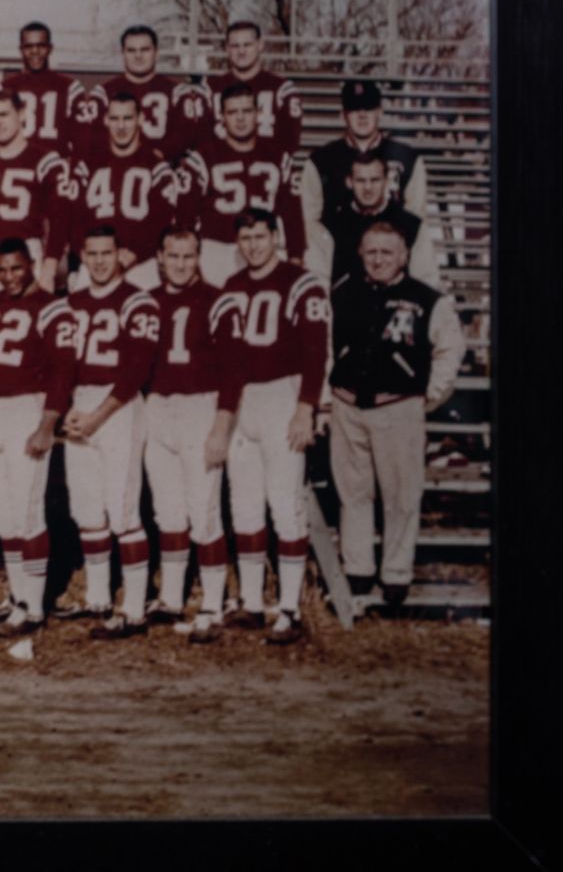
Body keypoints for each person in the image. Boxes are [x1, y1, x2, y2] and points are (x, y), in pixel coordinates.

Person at [207, 207, 331, 645]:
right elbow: (227, 360)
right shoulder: (232, 286)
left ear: (276, 236)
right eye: (246, 238)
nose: (254, 245)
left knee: (284, 504)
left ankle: (291, 608)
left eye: (261, 236)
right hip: (243, 402)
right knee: (244, 504)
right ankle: (254, 603)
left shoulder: (301, 282)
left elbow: (316, 350)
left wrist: (306, 407)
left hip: (282, 394)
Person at [327, 222, 465, 611]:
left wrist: (429, 396)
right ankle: (358, 570)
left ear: (404, 255)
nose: (378, 259)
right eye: (371, 252)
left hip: (398, 407)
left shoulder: (426, 299)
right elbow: (325, 343)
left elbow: (450, 350)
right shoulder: (343, 292)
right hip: (347, 403)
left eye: (387, 252)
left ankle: (396, 575)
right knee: (352, 492)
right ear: (360, 254)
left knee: (401, 496)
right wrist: (326, 395)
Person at [52, 227, 162, 638]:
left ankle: (133, 609)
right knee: (87, 509)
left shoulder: (138, 301)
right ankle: (97, 598)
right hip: (81, 406)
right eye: (92, 253)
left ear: (120, 255)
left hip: (117, 407)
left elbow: (136, 370)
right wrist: (67, 411)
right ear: (83, 255)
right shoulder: (71, 303)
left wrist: (97, 415)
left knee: (123, 510)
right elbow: (61, 364)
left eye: (106, 253)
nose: (99, 261)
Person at [0, 239, 70, 638]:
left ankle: (32, 605)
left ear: (31, 264)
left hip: (27, 410)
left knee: (27, 510)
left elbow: (63, 372)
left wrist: (47, 424)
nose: (10, 276)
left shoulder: (51, 307)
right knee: (3, 511)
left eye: (16, 268)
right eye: (3, 269)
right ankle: (17, 596)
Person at [143, 227, 229, 631]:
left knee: (204, 509)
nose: (180, 265)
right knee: (168, 510)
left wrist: (221, 425)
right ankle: (172, 597)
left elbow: (234, 370)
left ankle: (213, 603)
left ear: (199, 257)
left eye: (188, 256)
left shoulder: (215, 300)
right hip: (158, 407)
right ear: (160, 257)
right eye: (173, 256)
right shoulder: (149, 302)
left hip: (200, 406)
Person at [177, 83, 305, 288]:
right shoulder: (203, 157)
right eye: (233, 112)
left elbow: (292, 212)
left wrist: (296, 255)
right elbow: (186, 217)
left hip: (265, 246)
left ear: (258, 113)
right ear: (222, 116)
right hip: (219, 249)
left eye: (246, 111)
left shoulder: (278, 155)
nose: (240, 118)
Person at [301, 78, 431, 260]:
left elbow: (416, 219)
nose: (362, 115)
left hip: (392, 262)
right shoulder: (321, 161)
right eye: (354, 109)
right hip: (339, 260)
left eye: (368, 108)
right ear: (343, 114)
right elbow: (309, 222)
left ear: (380, 112)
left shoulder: (407, 159)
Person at [0, 89, 68, 297]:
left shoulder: (45, 159)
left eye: (4, 114)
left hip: (25, 249)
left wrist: (50, 265)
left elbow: (60, 217)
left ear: (21, 114)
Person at [67, 93, 179, 290]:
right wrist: (87, 253)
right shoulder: (89, 164)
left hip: (140, 265)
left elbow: (162, 220)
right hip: (95, 262)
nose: (121, 126)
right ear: (105, 120)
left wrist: (138, 251)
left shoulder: (155, 166)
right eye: (115, 118)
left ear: (141, 119)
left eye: (127, 118)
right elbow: (74, 218)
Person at [308, 150, 442, 287]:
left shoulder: (411, 225)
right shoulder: (329, 226)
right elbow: (318, 281)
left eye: (375, 180)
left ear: (386, 181)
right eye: (360, 180)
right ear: (349, 182)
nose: (368, 187)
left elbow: (427, 281)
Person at [82, 25, 210, 164]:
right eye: (131, 50)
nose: (138, 56)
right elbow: (94, 137)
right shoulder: (104, 92)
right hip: (117, 167)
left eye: (145, 49)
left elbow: (186, 135)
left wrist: (160, 154)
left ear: (156, 53)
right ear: (122, 54)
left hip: (163, 167)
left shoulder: (177, 92)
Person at [210, 19, 302, 153]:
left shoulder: (282, 89)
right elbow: (200, 141)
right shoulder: (210, 88)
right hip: (219, 166)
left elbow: (290, 143)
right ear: (227, 48)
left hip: (266, 167)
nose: (241, 51)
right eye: (235, 46)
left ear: (260, 45)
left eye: (247, 45)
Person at [0, 20, 86, 154]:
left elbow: (82, 140)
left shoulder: (69, 88)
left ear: (50, 48)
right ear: (21, 50)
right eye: (29, 46)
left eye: (41, 46)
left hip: (56, 165)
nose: (35, 51)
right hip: (19, 165)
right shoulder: (4, 87)